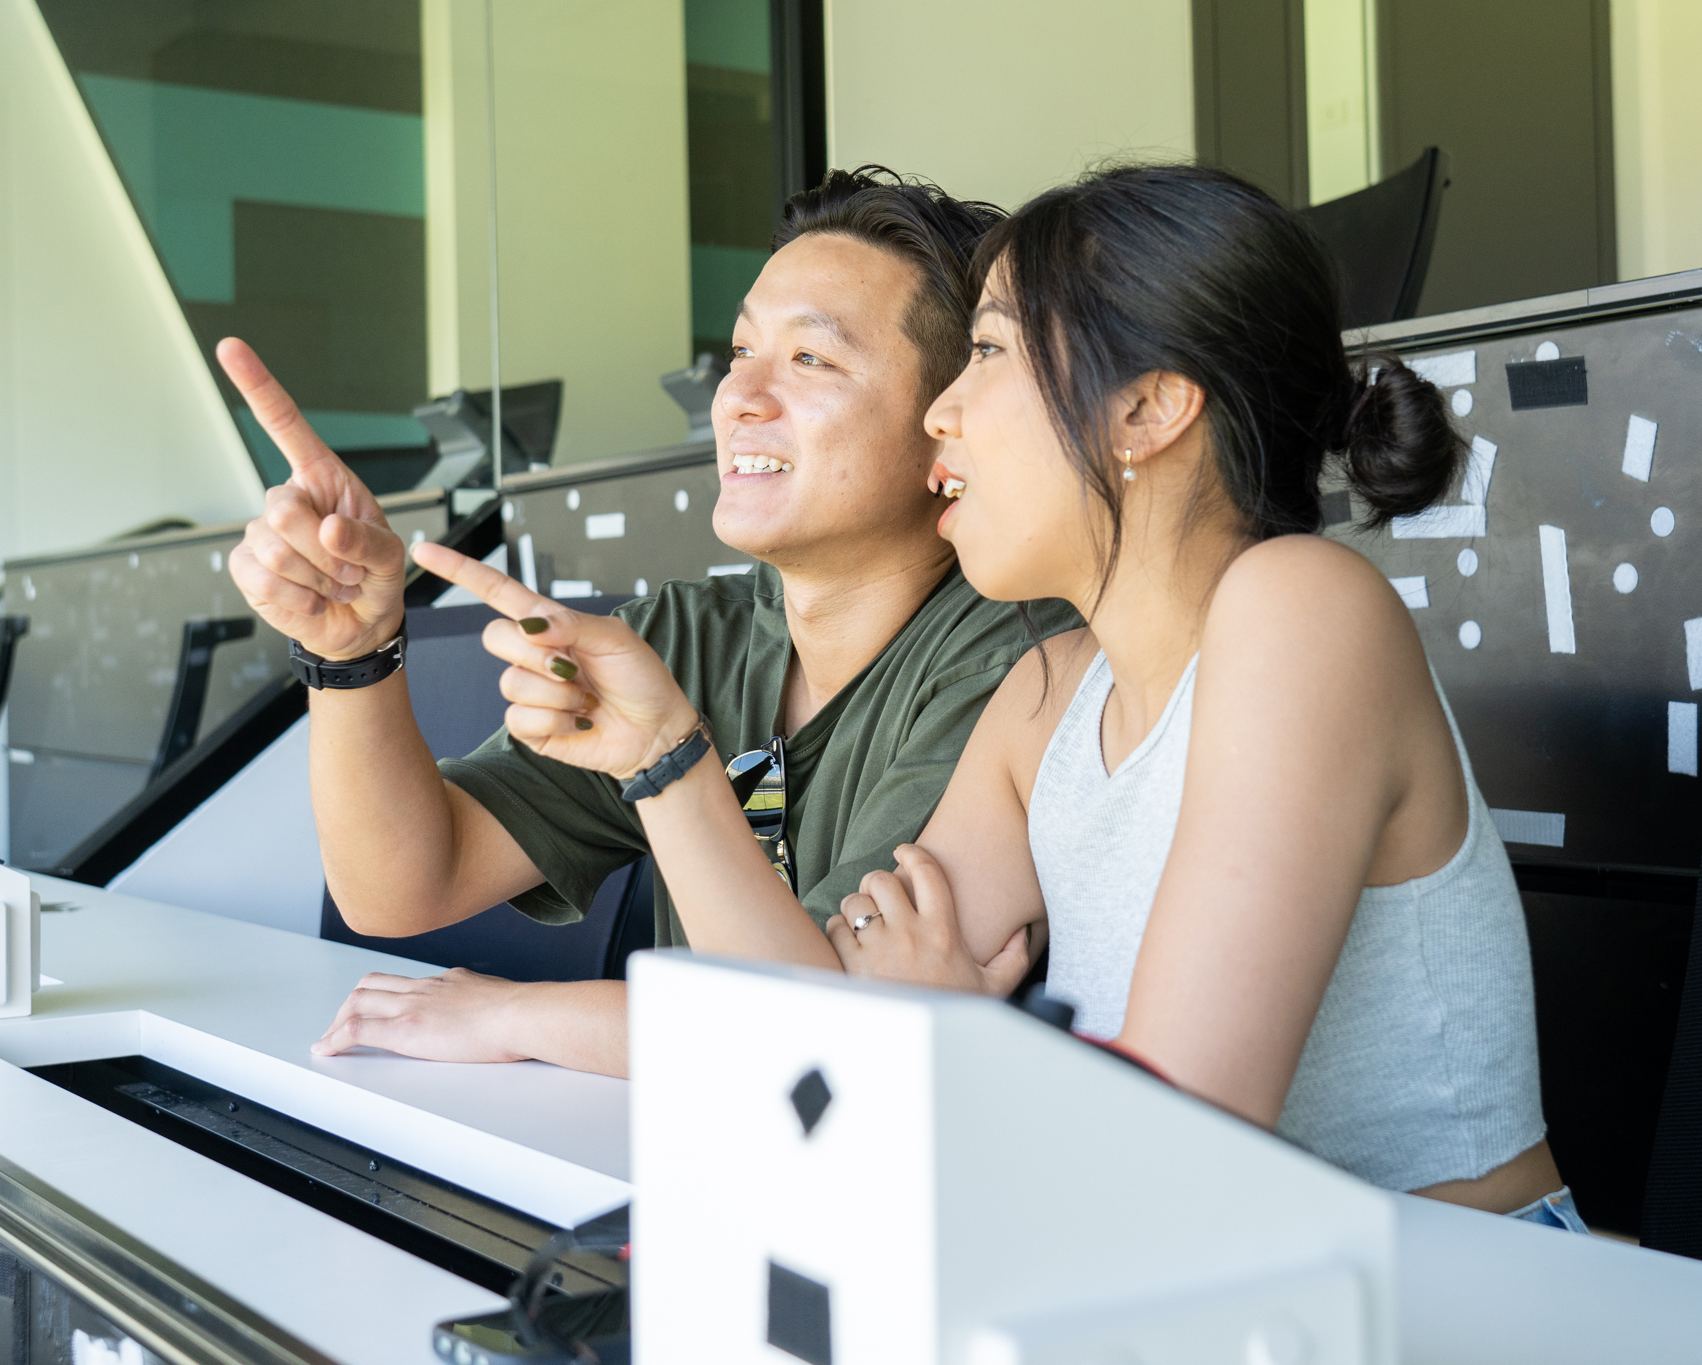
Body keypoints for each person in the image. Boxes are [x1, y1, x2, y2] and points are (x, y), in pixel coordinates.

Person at [493, 163, 1576, 1229]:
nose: (939, 415)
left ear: (1145, 408)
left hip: (1445, 1292)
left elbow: (1180, 1142)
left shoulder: (1302, 609)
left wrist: (958, 1044)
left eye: (987, 351)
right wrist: (664, 757)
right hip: (1166, 1275)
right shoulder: (1044, 689)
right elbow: (812, 1023)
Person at [223, 166, 1077, 1078]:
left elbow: (815, 1031)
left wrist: (515, 1014)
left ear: (943, 426)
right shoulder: (687, 639)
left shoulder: (1013, 661)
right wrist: (350, 651)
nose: (739, 397)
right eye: (742, 351)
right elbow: (398, 885)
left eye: (811, 359)